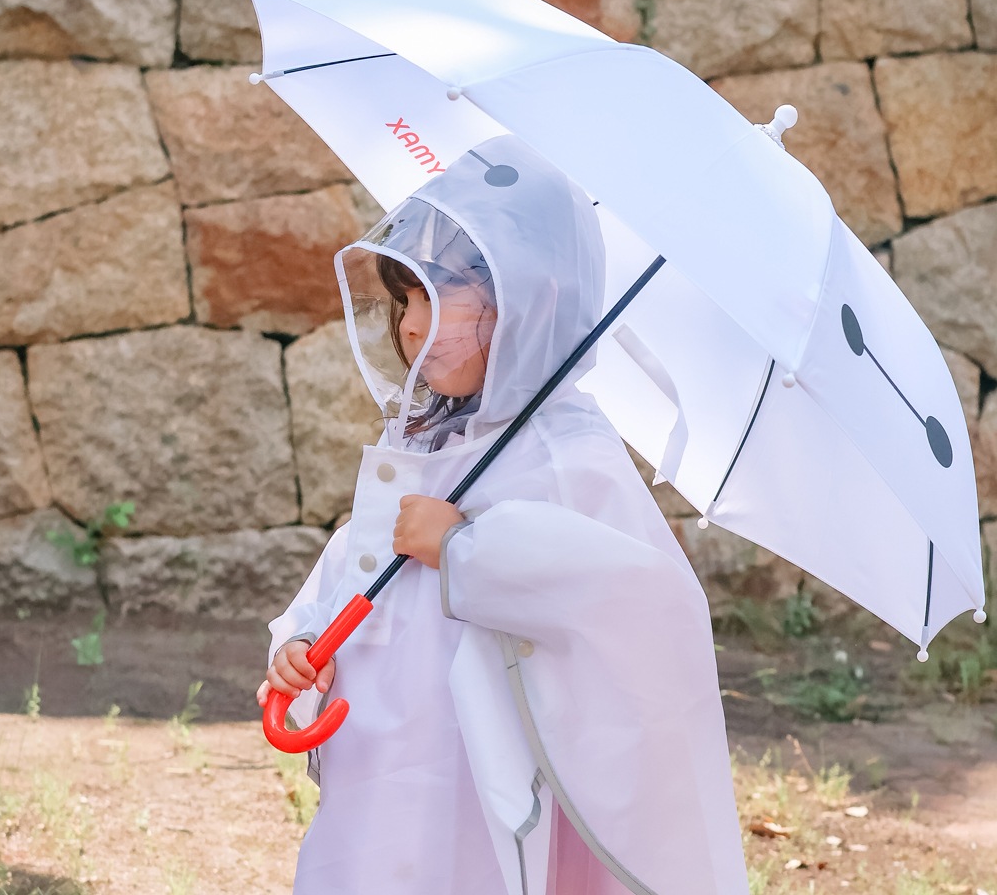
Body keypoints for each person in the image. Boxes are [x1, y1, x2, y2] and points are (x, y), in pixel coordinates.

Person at [258, 136, 748, 895]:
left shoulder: (568, 453)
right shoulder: (427, 438)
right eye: (405, 300)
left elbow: (639, 605)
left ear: (533, 300)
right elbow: (359, 564)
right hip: (379, 757)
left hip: (474, 772)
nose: (412, 326)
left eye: (438, 298)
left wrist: (466, 549)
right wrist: (305, 639)